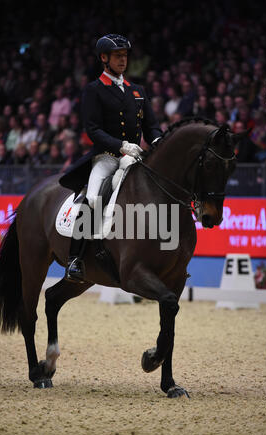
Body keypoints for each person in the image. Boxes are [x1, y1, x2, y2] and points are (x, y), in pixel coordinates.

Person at [59, 34, 162, 282]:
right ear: (104, 58)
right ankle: (75, 259)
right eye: (117, 56)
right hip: (106, 157)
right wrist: (122, 145)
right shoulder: (94, 90)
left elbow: (152, 126)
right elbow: (93, 130)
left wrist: (158, 142)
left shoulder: (137, 91)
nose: (122, 60)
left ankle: (165, 257)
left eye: (125, 55)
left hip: (134, 159)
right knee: (93, 198)